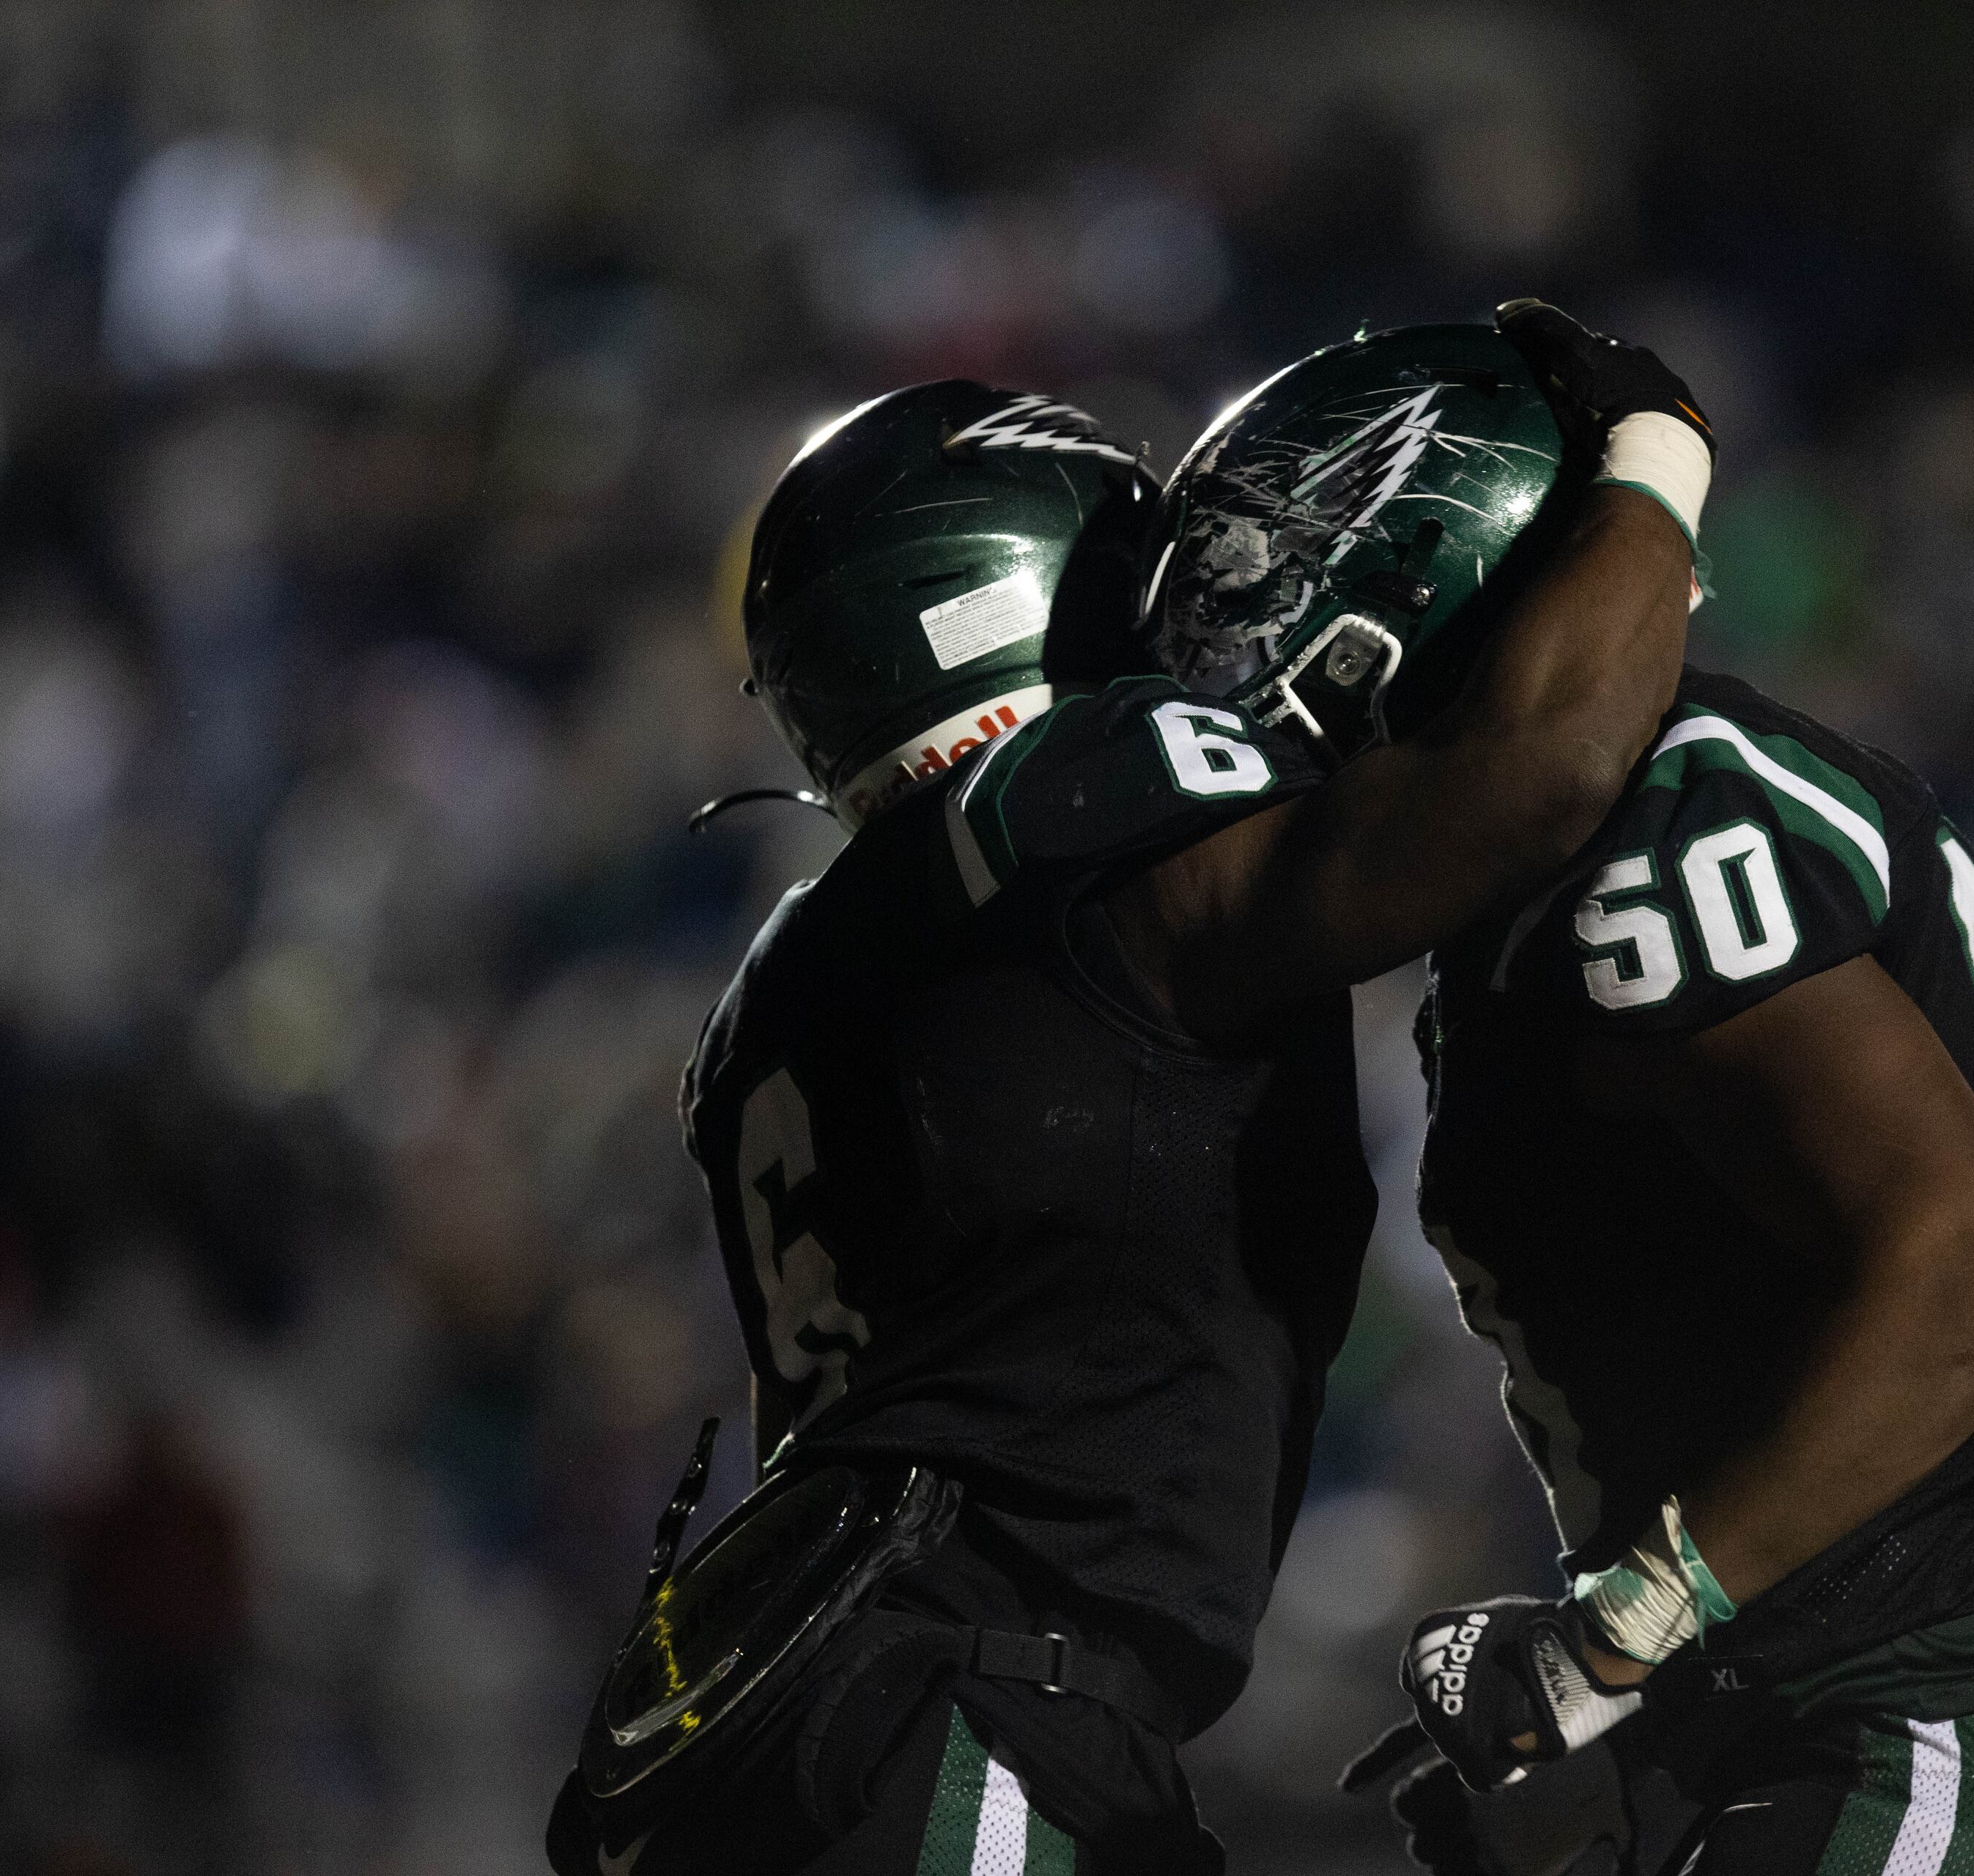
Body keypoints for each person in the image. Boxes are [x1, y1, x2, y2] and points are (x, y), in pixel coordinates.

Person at [548, 310, 1712, 1875]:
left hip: (859, 1697)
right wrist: (1653, 453)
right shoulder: (1068, 810)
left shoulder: (800, 967)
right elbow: (1537, 768)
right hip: (966, 1702)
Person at [1129, 354, 1974, 1868]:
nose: (1253, 712)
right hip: (1971, 1712)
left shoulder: (1658, 824)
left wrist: (1619, 1636)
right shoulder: (1579, 862)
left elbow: (1971, 1266)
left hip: (1963, 1728)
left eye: (1271, 623)